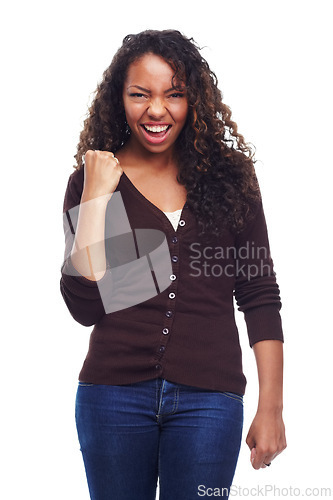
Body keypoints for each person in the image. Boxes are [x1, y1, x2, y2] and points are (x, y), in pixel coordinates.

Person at [60, 29, 286, 500]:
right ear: (118, 98)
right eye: (140, 94)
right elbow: (85, 305)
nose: (157, 110)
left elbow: (259, 293)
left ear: (194, 100)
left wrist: (271, 407)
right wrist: (97, 197)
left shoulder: (230, 178)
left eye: (174, 95)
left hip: (210, 399)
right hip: (112, 398)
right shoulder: (95, 180)